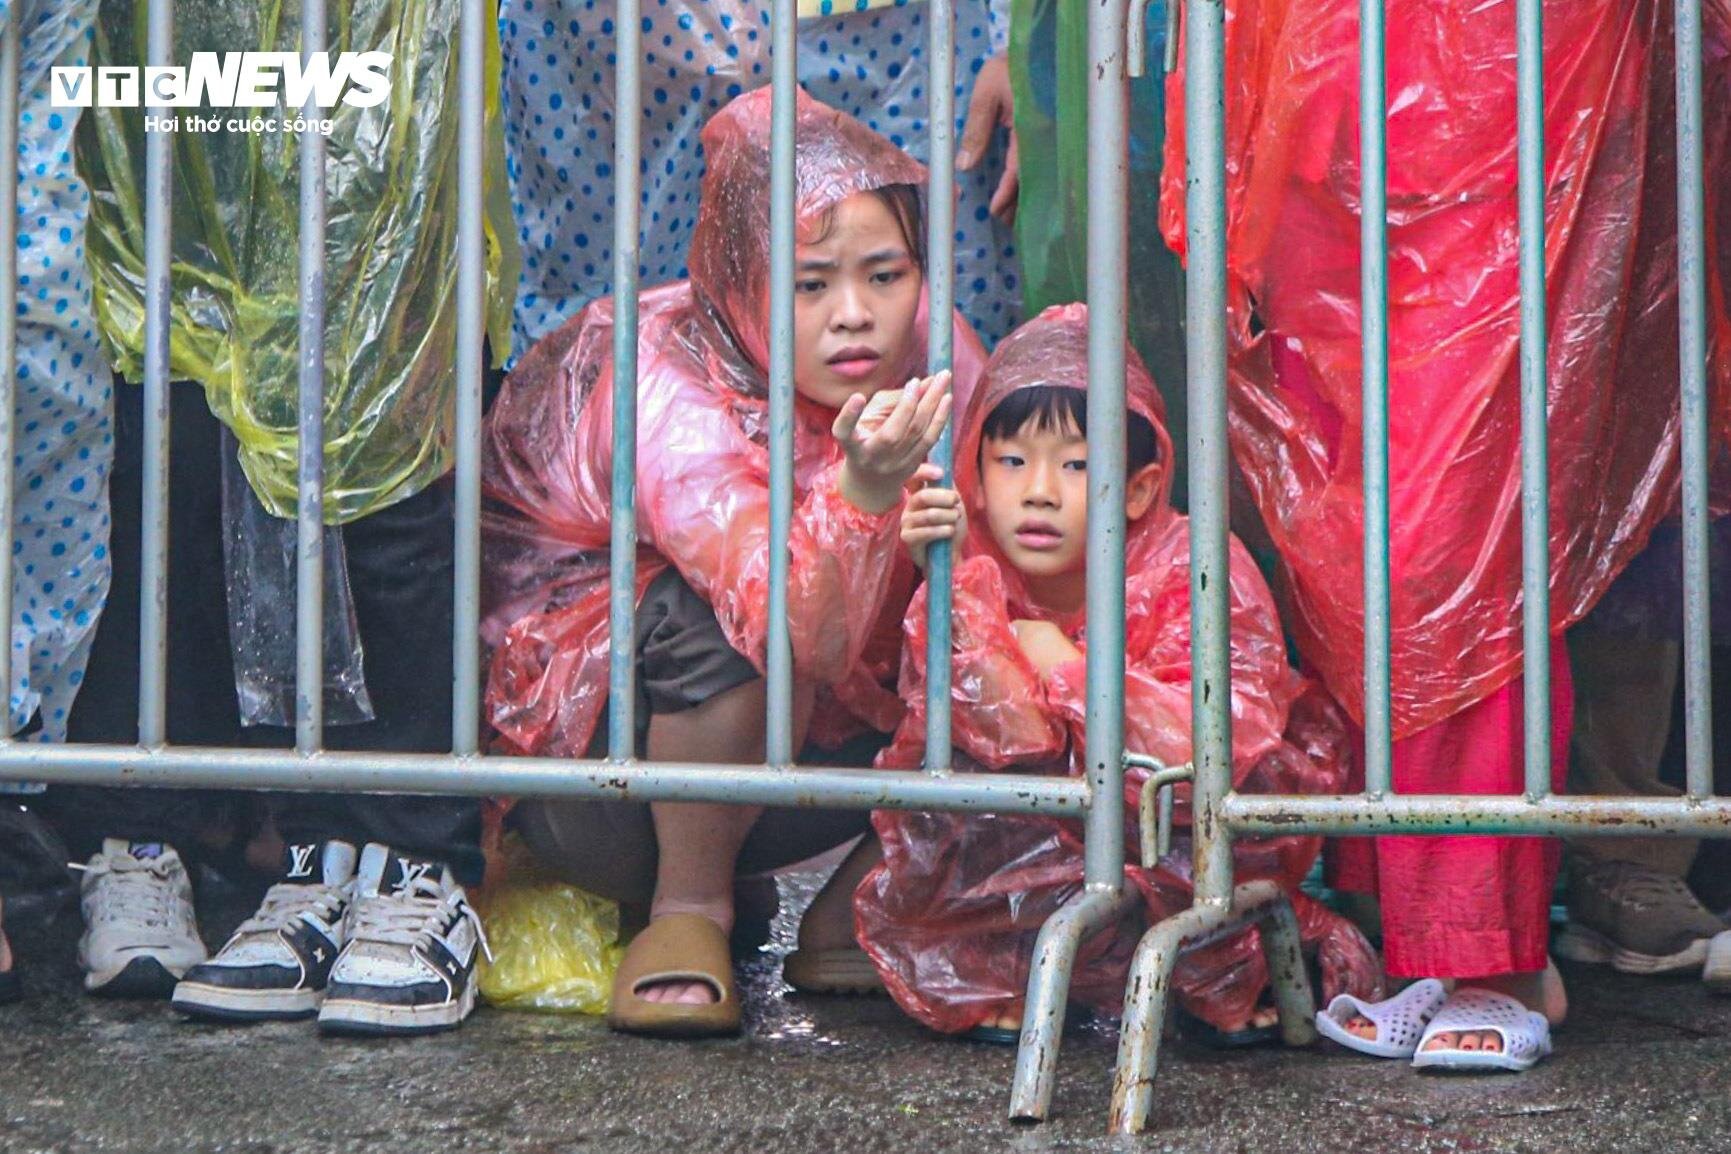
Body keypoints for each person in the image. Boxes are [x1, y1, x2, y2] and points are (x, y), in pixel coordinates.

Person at [1160, 0, 1731, 1069]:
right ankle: (1430, 938)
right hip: (1315, 91)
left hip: (1499, 91)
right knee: (1357, 536)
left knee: (1458, 540)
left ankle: (1494, 951)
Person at [481, 88, 986, 1037]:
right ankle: (687, 909)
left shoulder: (936, 357)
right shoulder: (665, 378)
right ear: (742, 279)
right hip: (599, 784)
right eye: (808, 284)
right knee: (708, 615)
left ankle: (862, 907)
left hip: (811, 771)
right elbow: (782, 619)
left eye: (884, 275)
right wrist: (865, 495)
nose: (854, 317)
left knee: (994, 605)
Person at [31, 0, 490, 1035]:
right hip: (166, 47)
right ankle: (231, 843)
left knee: (381, 419)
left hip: (377, 34)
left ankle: (408, 860)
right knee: (173, 427)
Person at [851, 303, 1382, 1042]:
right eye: (1011, 461)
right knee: (964, 803)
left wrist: (1062, 664)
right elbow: (1003, 734)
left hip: (1178, 833)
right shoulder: (967, 559)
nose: (1038, 490)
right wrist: (950, 585)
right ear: (974, 469)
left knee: (1209, 817)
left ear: (1138, 488)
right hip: (1047, 832)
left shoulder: (1195, 563)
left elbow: (1212, 742)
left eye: (1076, 465)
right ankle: (1009, 965)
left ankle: (1220, 965)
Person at [497, 0, 1022, 362]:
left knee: (910, 312)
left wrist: (1016, 41)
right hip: (634, 46)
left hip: (898, 40)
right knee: (639, 344)